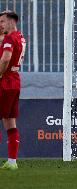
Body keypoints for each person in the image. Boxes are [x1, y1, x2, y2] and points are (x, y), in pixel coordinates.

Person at [0, 10, 26, 170]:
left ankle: (11, 162)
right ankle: (12, 162)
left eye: (2, 21)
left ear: (11, 21)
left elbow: (6, 58)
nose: (1, 25)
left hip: (5, 80)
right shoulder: (20, 36)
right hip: (15, 81)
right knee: (10, 121)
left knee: (9, 121)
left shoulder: (10, 38)